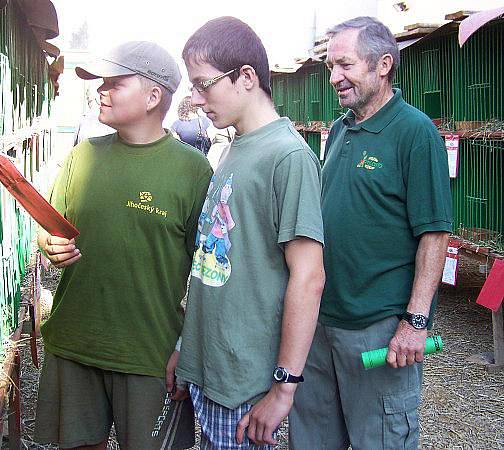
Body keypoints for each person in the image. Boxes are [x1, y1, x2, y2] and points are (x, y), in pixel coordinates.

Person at [33, 40, 212, 450]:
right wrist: (49, 243)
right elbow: (50, 227)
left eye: (115, 83)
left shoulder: (193, 170)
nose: (102, 90)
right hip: (75, 342)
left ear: (153, 96)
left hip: (149, 355)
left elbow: (208, 270)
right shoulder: (83, 157)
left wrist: (189, 347)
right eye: (102, 83)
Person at [289, 17, 452, 449]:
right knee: (313, 437)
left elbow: (434, 234)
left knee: (379, 437)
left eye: (344, 64)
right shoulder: (341, 128)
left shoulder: (415, 132)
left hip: (378, 328)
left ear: (383, 65)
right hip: (322, 320)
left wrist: (415, 322)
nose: (333, 77)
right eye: (329, 67)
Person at [175, 16, 325, 449]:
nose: (198, 99)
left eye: (204, 84)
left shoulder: (288, 156)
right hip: (211, 366)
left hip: (245, 381)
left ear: (245, 77)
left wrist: (284, 387)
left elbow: (309, 277)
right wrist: (190, 348)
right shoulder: (236, 146)